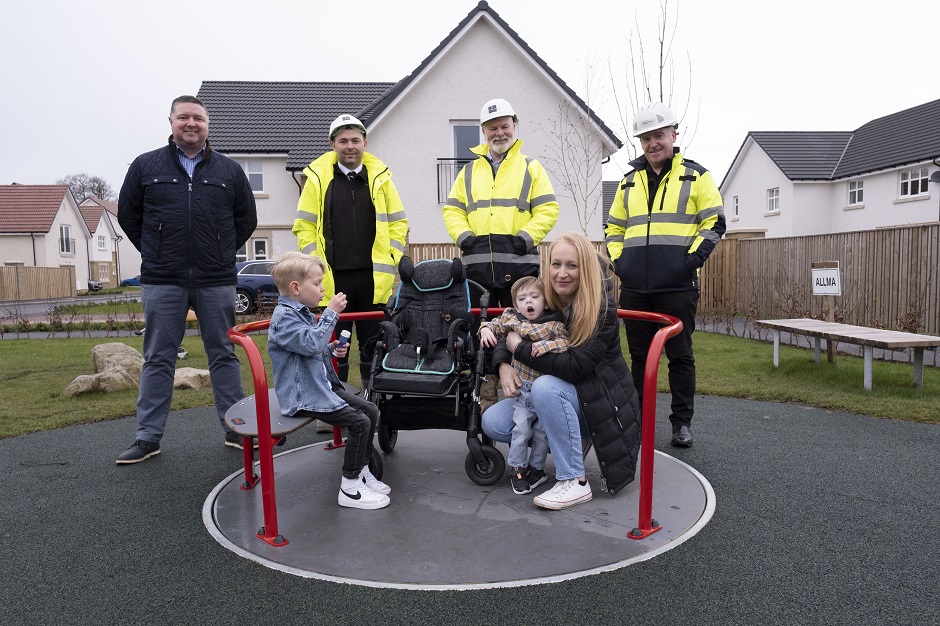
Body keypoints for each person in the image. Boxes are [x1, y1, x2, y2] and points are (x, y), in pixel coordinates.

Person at [116, 95, 258, 464]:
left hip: (215, 278)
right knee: (158, 358)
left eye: (198, 118)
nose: (191, 124)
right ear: (171, 122)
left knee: (223, 355)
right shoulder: (146, 166)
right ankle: (147, 438)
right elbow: (129, 217)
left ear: (208, 125)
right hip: (163, 279)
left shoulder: (228, 171)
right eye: (184, 118)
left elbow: (246, 221)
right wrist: (156, 250)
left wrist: (220, 249)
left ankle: (236, 429)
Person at [482, 232, 641, 510]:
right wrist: (503, 364)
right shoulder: (545, 300)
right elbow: (512, 326)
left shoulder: (600, 309)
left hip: (597, 401)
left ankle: (574, 481)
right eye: (556, 264)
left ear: (586, 269)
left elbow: (574, 368)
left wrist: (519, 350)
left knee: (545, 387)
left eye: (572, 265)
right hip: (562, 395)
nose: (562, 273)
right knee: (494, 421)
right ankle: (555, 448)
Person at [605, 102, 726, 448]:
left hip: (677, 286)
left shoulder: (696, 175)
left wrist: (690, 263)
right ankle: (639, 421)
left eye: (658, 135)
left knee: (680, 355)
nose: (652, 143)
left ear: (674, 134)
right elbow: (614, 226)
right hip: (636, 288)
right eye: (645, 138)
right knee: (639, 358)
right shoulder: (629, 182)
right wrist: (620, 263)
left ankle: (681, 424)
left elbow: (715, 221)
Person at [442, 98, 559, 409]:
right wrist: (464, 236)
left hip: (520, 271)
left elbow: (548, 208)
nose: (499, 132)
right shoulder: (468, 172)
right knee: (482, 335)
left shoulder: (531, 167)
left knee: (524, 333)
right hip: (478, 270)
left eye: (505, 126)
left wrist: (525, 237)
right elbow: (452, 210)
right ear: (483, 131)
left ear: (514, 127)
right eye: (492, 127)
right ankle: (487, 402)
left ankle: (528, 398)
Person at [291, 114, 408, 393]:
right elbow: (304, 226)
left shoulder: (380, 178)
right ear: (333, 145)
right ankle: (332, 405)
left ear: (365, 143)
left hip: (372, 280)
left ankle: (373, 402)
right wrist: (314, 265)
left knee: (373, 345)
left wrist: (393, 256)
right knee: (332, 345)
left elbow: (398, 223)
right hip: (332, 280)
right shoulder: (318, 179)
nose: (350, 146)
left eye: (355, 140)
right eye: (343, 141)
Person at [267, 251, 391, 510]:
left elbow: (312, 348)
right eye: (317, 283)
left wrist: (332, 347)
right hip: (303, 397)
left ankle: (362, 469)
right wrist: (331, 314)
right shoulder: (284, 318)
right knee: (358, 423)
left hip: (320, 387)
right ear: (295, 287)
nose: (323, 289)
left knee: (369, 410)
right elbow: (310, 343)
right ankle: (350, 486)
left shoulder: (301, 313)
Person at [478, 276, 568, 495]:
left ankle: (537, 469)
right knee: (521, 429)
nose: (529, 302)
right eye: (523, 298)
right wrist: (486, 329)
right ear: (516, 305)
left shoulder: (553, 324)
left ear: (545, 302)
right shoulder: (512, 319)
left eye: (535, 297)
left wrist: (548, 346)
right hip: (524, 390)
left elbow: (565, 342)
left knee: (541, 433)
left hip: (545, 392)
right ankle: (517, 467)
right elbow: (494, 325)